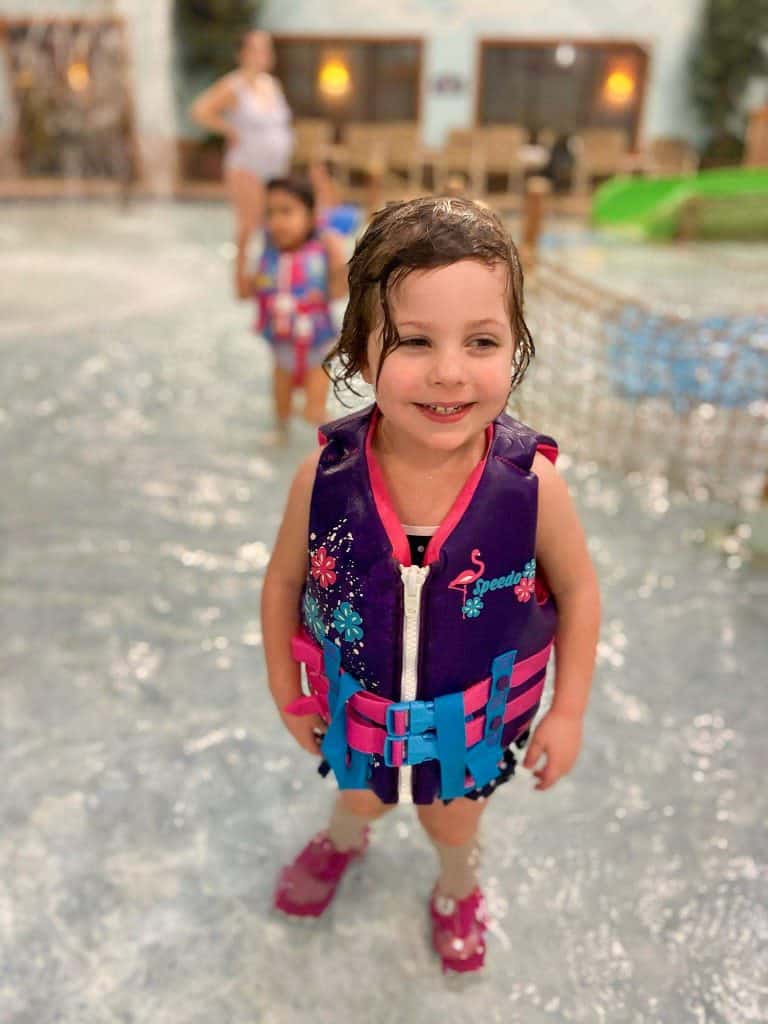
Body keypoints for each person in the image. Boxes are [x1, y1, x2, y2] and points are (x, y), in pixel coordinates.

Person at [260, 197, 600, 973]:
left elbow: (579, 592)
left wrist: (568, 711)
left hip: (468, 732)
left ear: (515, 349)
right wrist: (287, 688)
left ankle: (455, 888)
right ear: (357, 350)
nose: (450, 371)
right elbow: (282, 582)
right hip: (358, 716)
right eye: (414, 341)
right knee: (359, 797)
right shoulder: (324, 477)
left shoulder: (533, 486)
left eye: (481, 341)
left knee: (454, 827)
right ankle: (344, 839)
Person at [190, 30, 293, 298]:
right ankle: (240, 282)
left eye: (267, 49)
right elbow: (200, 110)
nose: (264, 55)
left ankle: (268, 275)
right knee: (249, 224)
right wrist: (228, 130)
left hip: (274, 167)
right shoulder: (233, 85)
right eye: (257, 49)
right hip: (246, 164)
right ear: (243, 53)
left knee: (273, 221)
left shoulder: (271, 84)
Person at [245, 176, 347, 430]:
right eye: (271, 213)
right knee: (281, 418)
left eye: (286, 211)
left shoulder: (321, 250)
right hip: (281, 350)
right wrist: (241, 245)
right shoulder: (268, 253)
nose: (277, 221)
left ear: (311, 216)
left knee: (313, 415)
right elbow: (244, 292)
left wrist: (338, 260)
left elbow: (337, 293)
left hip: (317, 350)